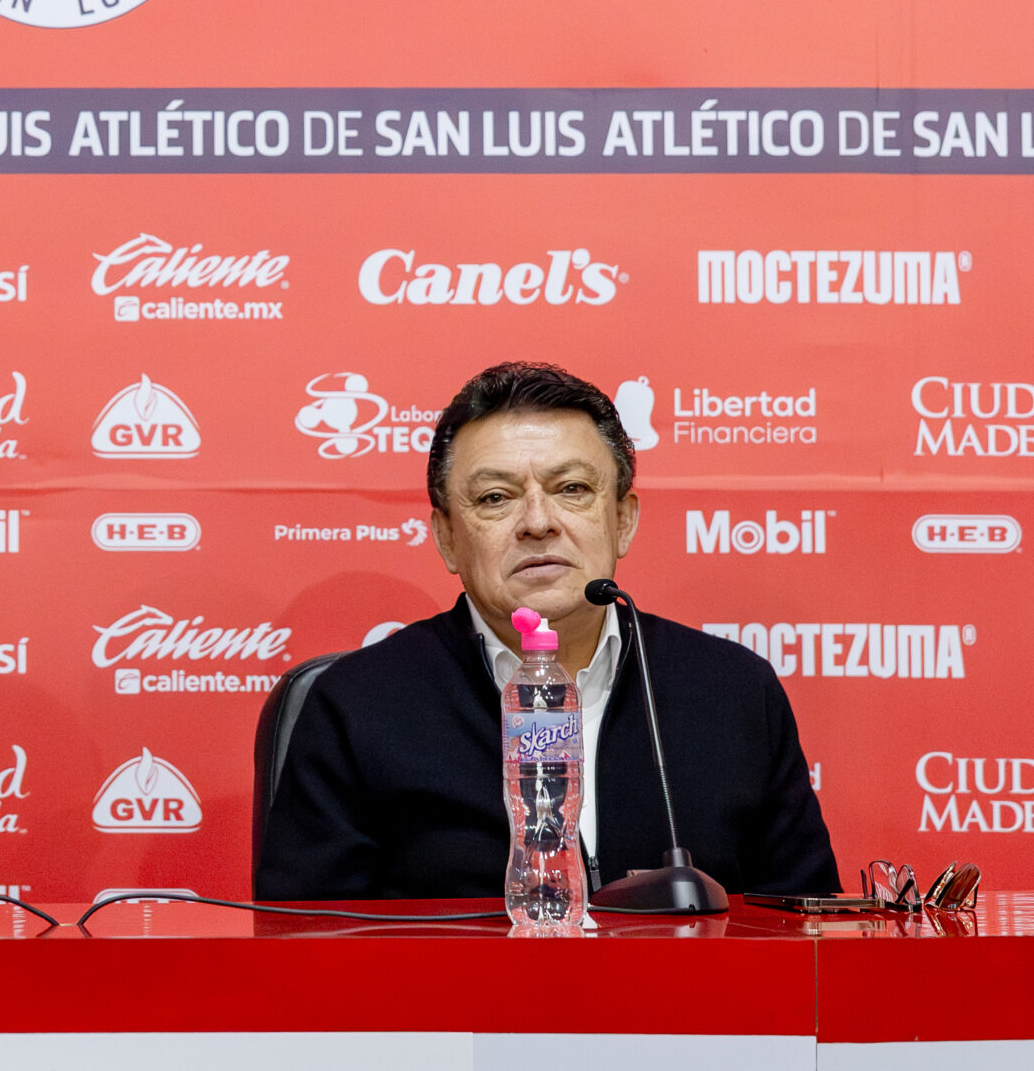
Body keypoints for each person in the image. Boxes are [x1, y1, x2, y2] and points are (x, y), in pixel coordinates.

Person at [256, 361, 839, 901]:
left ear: (623, 520)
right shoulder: (359, 704)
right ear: (447, 538)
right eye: (495, 497)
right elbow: (303, 949)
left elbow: (807, 931)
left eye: (572, 489)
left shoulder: (732, 690)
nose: (537, 522)